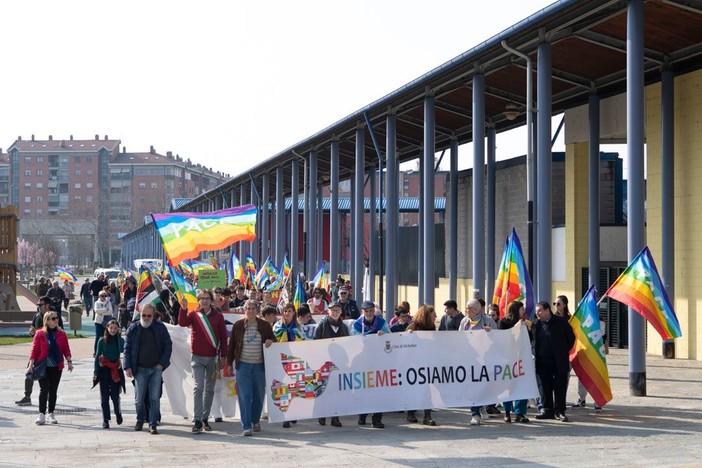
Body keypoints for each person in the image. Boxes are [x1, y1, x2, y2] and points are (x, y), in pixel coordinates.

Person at [178, 289, 229, 433]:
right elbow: (182, 323)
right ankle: (198, 419)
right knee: (198, 387)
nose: (205, 301)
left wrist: (223, 356)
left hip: (213, 358)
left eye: (207, 298)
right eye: (202, 298)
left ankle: (206, 417)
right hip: (197, 358)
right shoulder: (194, 314)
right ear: (199, 300)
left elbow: (223, 338)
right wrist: (183, 308)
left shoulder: (218, 316)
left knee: (209, 389)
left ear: (211, 300)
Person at [227, 300, 274, 436]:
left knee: (259, 395)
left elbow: (273, 339)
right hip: (243, 366)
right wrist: (229, 363)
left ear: (257, 310)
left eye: (254, 308)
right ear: (245, 310)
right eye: (249, 308)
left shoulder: (265, 326)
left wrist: (271, 340)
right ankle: (246, 425)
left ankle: (255, 420)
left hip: (259, 366)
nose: (251, 311)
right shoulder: (238, 326)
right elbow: (232, 346)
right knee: (244, 396)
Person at [124, 303, 173, 434]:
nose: (146, 318)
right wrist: (127, 366)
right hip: (139, 369)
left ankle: (153, 423)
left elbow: (168, 345)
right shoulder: (133, 328)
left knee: (154, 398)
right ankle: (140, 419)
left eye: (149, 316)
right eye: (143, 315)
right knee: (139, 399)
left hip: (156, 369)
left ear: (153, 315)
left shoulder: (160, 328)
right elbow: (127, 348)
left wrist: (162, 363)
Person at [28, 309, 73, 425]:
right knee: (44, 390)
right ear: (47, 321)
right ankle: (41, 414)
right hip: (43, 366)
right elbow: (34, 350)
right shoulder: (40, 333)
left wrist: (69, 361)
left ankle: (51, 413)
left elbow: (66, 349)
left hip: (56, 366)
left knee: (53, 390)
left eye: (57, 318)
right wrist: (31, 365)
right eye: (53, 318)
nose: (56, 320)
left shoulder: (62, 334)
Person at [533, 301, 576, 422]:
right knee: (544, 387)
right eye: (536, 312)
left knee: (560, 387)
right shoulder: (536, 324)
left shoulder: (561, 322)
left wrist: (562, 351)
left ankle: (560, 411)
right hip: (542, 362)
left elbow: (571, 338)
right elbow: (533, 341)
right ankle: (547, 410)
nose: (538, 314)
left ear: (547, 311)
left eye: (540, 311)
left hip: (559, 361)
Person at [459, 298, 497, 426]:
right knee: (472, 386)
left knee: (483, 386)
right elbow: (459, 337)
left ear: (474, 310)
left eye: (467, 309)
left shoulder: (488, 321)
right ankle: (475, 413)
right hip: (470, 359)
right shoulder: (465, 321)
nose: (466, 311)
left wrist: (490, 333)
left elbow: (498, 339)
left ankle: (480, 406)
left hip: (484, 360)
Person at [353, 300, 389, 429]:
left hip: (378, 361)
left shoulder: (381, 322)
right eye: (366, 311)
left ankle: (377, 419)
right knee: (364, 389)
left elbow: (390, 337)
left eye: (371, 311)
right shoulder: (357, 324)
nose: (369, 313)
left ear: (374, 311)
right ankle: (362, 415)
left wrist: (382, 335)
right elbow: (353, 340)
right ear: (363, 312)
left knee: (378, 390)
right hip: (363, 361)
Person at [314, 301, 348, 428]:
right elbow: (316, 343)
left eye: (337, 310)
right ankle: (322, 414)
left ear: (340, 312)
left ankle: (335, 417)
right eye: (332, 310)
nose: (335, 313)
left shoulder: (344, 327)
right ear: (328, 311)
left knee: (336, 390)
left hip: (338, 363)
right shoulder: (321, 325)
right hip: (324, 363)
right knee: (323, 389)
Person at [16, 297, 53, 406]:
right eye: (37, 305)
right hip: (37, 349)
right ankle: (27, 396)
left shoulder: (53, 316)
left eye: (40, 305)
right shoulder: (36, 315)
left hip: (48, 351)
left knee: (47, 374)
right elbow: (32, 327)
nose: (38, 307)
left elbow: (56, 332)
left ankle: (48, 397)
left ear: (47, 305)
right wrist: (31, 332)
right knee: (29, 371)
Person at [405, 304, 438, 425]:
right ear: (427, 315)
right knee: (413, 388)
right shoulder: (413, 326)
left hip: (427, 362)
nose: (435, 317)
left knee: (428, 389)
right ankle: (410, 412)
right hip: (413, 363)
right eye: (433, 315)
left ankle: (427, 415)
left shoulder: (432, 327)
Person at [498, 301, 531, 423]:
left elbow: (529, 339)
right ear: (516, 310)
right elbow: (503, 338)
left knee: (522, 385)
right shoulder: (503, 322)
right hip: (507, 359)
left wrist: (528, 328)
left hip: (521, 359)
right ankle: (507, 412)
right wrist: (517, 327)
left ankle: (520, 412)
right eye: (522, 309)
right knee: (508, 386)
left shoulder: (525, 323)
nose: (524, 312)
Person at [273, 303, 304, 429]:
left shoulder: (299, 327)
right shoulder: (277, 327)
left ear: (293, 313)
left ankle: (294, 412)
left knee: (295, 388)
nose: (287, 313)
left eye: (289, 311)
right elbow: (274, 341)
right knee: (284, 388)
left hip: (295, 360)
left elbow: (302, 343)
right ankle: (285, 415)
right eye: (285, 311)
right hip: (281, 361)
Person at [93, 320, 125, 428]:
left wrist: (119, 336)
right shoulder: (101, 341)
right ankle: (105, 419)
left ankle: (118, 413)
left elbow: (121, 349)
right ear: (107, 328)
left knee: (115, 395)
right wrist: (95, 372)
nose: (113, 330)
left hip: (115, 369)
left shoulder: (119, 339)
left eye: (115, 328)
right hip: (105, 369)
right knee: (104, 396)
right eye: (111, 328)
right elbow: (97, 356)